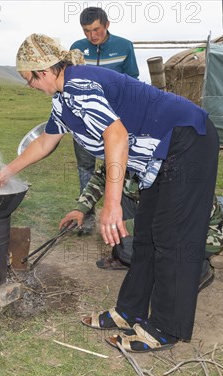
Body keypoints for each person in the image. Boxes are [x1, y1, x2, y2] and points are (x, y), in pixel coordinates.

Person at [0, 33, 220, 353]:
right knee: (147, 237)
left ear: (42, 72)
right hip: (160, 155)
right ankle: (129, 312)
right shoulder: (63, 98)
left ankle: (167, 328)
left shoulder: (79, 86)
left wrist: (111, 204)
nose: (30, 87)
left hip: (186, 140)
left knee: (172, 238)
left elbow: (116, 135)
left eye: (28, 80)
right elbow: (45, 141)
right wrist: (6, 172)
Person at [59, 164, 223, 292]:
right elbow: (101, 178)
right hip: (157, 219)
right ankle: (128, 256)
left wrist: (125, 226)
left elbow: (167, 218)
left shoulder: (168, 165)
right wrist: (80, 209)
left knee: (166, 272)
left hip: (199, 234)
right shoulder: (122, 152)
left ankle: (199, 269)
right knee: (118, 192)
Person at [69, 7, 140, 235]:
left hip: (116, 122)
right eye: (87, 31)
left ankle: (120, 214)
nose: (92, 36)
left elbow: (132, 82)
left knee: (118, 166)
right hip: (84, 121)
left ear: (107, 25)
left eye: (96, 29)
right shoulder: (76, 49)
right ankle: (86, 216)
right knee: (85, 166)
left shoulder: (124, 46)